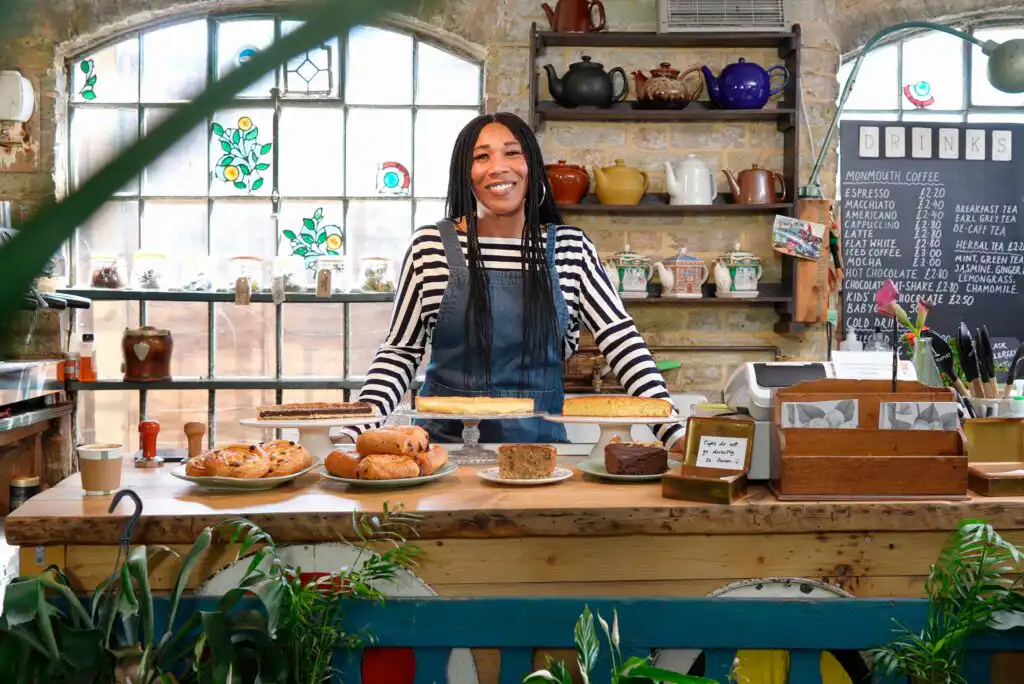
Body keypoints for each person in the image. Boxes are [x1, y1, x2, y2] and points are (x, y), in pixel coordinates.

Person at [338, 112, 685, 451]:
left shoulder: (571, 248)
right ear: (465, 173)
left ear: (532, 166)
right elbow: (400, 351)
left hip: (539, 452)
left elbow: (621, 339)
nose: (498, 167)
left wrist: (672, 430)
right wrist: (357, 426)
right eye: (481, 156)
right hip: (442, 451)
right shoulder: (430, 247)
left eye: (512, 152)